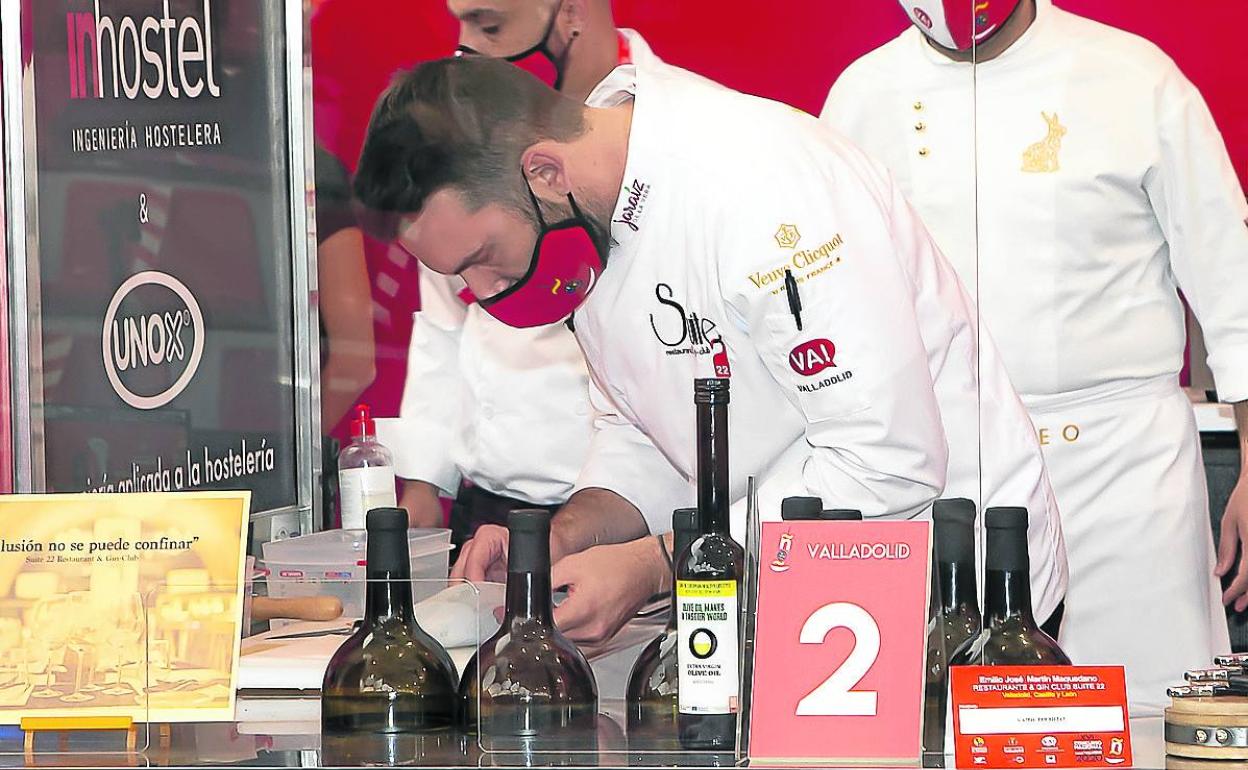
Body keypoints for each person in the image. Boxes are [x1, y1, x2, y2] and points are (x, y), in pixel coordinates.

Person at [351, 54, 1069, 649]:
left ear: (544, 173)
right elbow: (641, 433)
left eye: (487, 256)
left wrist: (659, 565)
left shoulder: (762, 189)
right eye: (459, 277)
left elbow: (886, 460)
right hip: (790, 586)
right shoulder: (589, 214)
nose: (485, 289)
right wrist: (562, 537)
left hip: (958, 592)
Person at [820, 0, 1248, 713]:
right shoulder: (860, 97)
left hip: (1123, 480)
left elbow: (1234, 283)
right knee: (954, 724)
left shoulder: (1134, 78)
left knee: (1150, 716)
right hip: (947, 482)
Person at [382, 0, 663, 552]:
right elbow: (443, 322)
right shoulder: (456, 134)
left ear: (572, 13)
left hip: (620, 518)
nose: (466, 51)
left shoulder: (665, 144)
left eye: (488, 27)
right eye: (459, 25)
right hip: (483, 511)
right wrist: (421, 484)